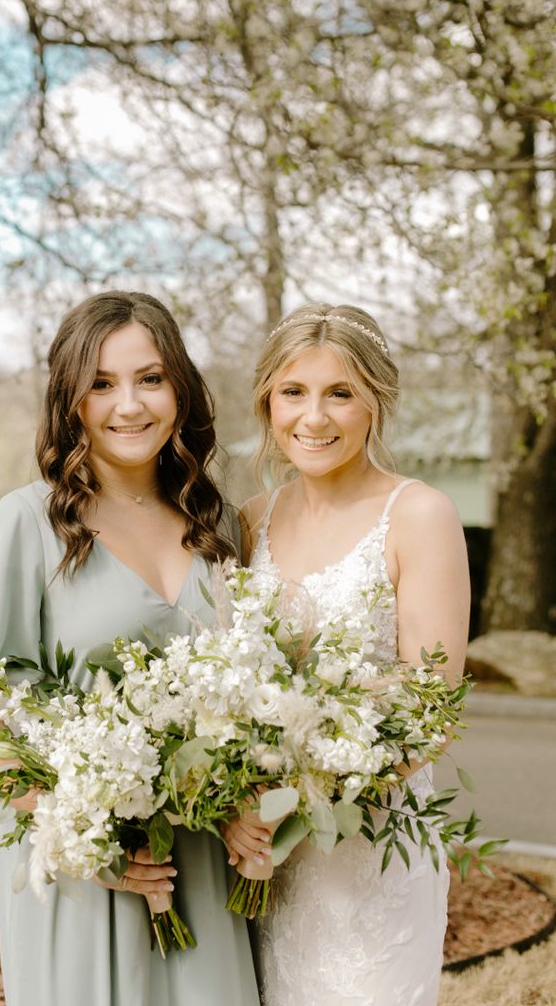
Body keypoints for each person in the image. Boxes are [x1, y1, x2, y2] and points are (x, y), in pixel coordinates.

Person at [0, 291, 261, 1006]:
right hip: (82, 869)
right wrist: (78, 832)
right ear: (69, 399)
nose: (129, 405)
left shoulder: (219, 521)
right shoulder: (28, 522)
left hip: (199, 861)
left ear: (180, 386)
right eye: (101, 383)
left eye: (150, 378)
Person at [224, 302, 470, 1006]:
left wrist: (299, 800)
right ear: (268, 401)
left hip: (370, 851)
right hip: (263, 856)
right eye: (293, 393)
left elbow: (431, 706)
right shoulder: (251, 519)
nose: (314, 417)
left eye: (341, 393)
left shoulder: (419, 515)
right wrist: (241, 804)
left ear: (375, 402)